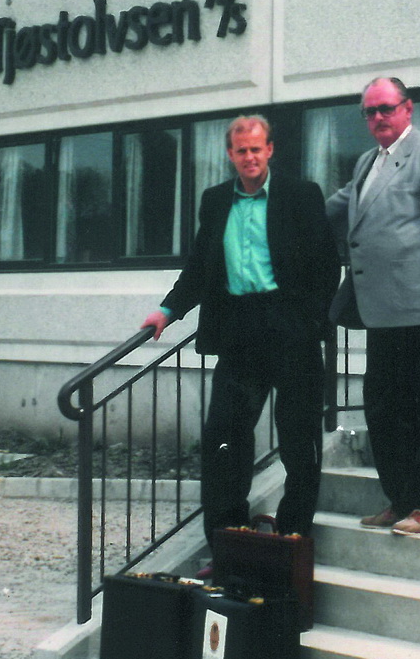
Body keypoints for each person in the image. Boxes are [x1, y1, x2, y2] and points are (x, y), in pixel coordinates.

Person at [141, 115, 339, 554]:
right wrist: (167, 311)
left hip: (292, 333)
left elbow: (327, 266)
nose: (249, 157)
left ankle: (293, 537)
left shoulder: (301, 196)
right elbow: (199, 267)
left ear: (270, 150)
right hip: (238, 333)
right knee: (224, 441)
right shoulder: (215, 202)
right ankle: (228, 540)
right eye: (240, 150)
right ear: (230, 155)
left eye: (256, 149)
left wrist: (309, 322)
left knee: (298, 441)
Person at [327, 77, 420, 536]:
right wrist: (279, 206)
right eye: (369, 112)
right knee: (385, 411)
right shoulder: (366, 162)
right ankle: (402, 500)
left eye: (385, 109)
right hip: (384, 314)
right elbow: (337, 206)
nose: (377, 119)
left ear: (408, 109)